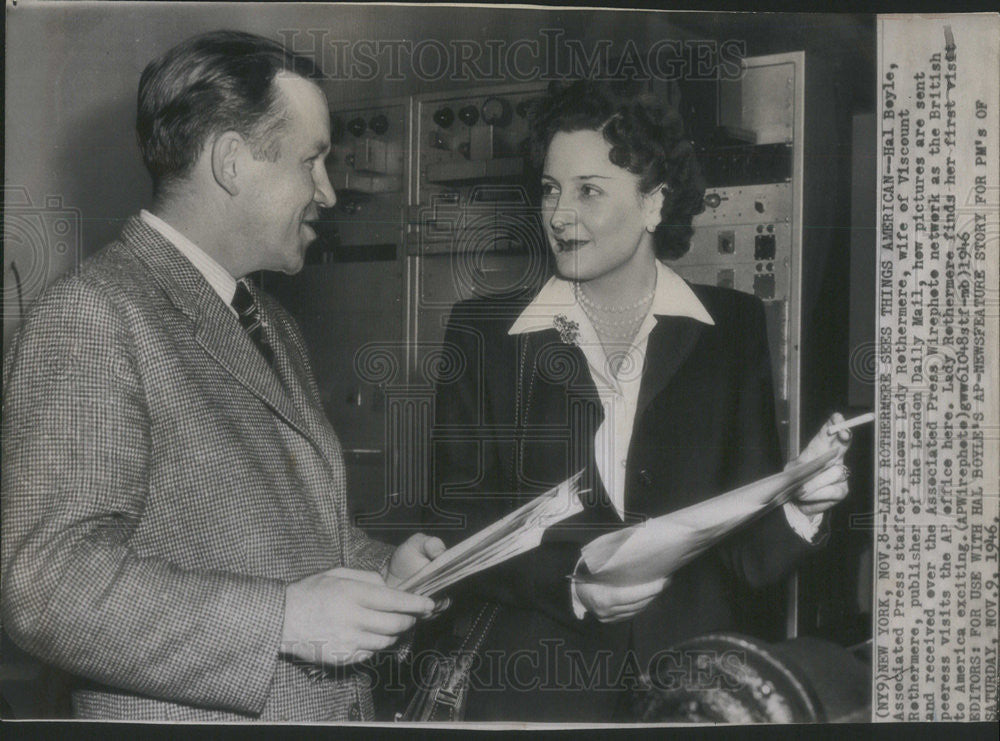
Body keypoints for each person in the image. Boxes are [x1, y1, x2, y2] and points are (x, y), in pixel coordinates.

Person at [0, 31, 445, 722]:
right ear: (232, 162)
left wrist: (379, 569)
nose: (328, 192)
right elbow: (48, 584)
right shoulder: (92, 313)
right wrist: (287, 619)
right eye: (313, 160)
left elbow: (287, 535)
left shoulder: (268, 319)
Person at [423, 79, 853, 721]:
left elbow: (747, 559)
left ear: (654, 204)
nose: (560, 214)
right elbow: (456, 524)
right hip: (533, 687)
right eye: (550, 189)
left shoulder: (730, 328)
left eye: (589, 190)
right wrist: (572, 584)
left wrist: (800, 505)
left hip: (690, 692)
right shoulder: (484, 333)